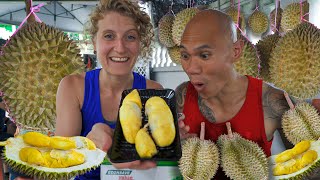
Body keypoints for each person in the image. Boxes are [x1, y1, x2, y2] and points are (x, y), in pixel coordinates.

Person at [176, 9, 320, 179]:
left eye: (204, 55)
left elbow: (311, 162)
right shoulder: (182, 95)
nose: (191, 68)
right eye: (185, 55)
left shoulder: (275, 101)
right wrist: (174, 144)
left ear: (236, 52)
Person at [54, 0, 162, 179]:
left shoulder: (154, 92)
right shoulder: (73, 88)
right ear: (94, 42)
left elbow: (158, 160)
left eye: (130, 37)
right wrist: (87, 144)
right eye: (109, 36)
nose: (120, 48)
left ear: (140, 44)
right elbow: (61, 165)